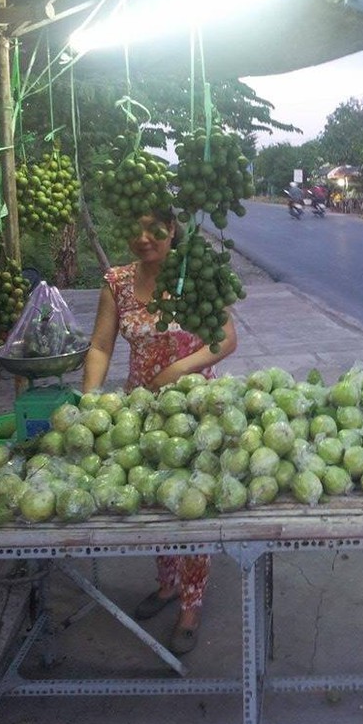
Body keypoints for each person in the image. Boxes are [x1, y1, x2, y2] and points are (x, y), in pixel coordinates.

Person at [82, 208, 237, 654]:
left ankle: (191, 602)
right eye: (135, 228)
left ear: (174, 228)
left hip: (194, 408)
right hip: (140, 410)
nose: (144, 238)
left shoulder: (197, 275)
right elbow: (100, 346)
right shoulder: (117, 282)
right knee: (154, 494)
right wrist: (90, 403)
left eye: (155, 229)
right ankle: (166, 584)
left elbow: (225, 338)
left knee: (191, 501)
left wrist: (176, 371)